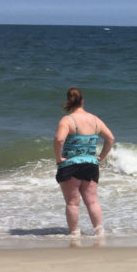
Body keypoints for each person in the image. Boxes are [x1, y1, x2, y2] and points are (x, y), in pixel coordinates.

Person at [53, 87, 115, 237]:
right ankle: (99, 231)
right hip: (90, 165)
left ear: (68, 101)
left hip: (71, 165)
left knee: (73, 203)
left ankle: (74, 233)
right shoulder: (95, 120)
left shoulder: (67, 120)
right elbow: (110, 139)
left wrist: (59, 158)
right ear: (82, 101)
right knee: (92, 202)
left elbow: (59, 139)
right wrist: (101, 156)